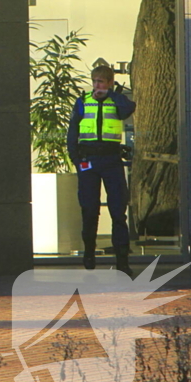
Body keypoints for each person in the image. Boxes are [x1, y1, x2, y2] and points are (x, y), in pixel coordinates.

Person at [67, 65, 136, 276]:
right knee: (89, 210)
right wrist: (76, 160)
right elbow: (72, 132)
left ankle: (122, 262)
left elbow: (128, 108)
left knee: (118, 211)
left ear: (109, 83)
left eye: (101, 82)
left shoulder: (116, 100)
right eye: (95, 81)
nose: (97, 86)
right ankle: (89, 256)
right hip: (88, 161)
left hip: (111, 160)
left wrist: (111, 94)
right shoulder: (83, 101)